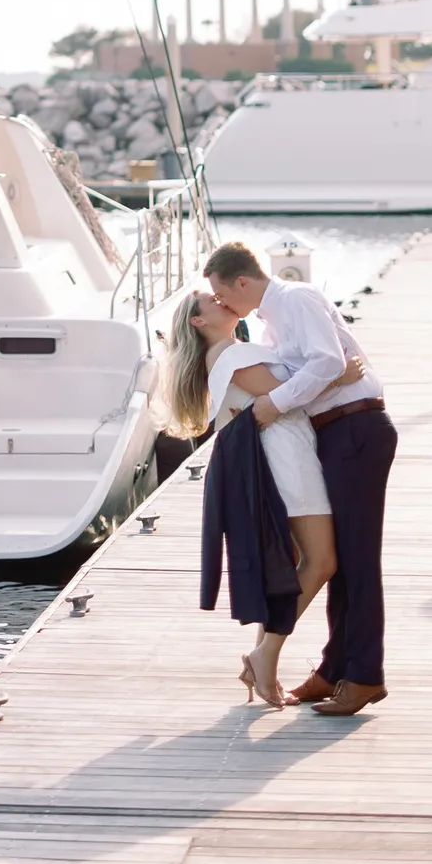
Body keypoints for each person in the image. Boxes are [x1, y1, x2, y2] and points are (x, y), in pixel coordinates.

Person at [204, 242, 397, 717]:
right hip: (333, 434)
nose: (223, 302)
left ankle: (366, 675)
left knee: (359, 561)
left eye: (221, 293)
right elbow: (319, 372)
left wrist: (275, 404)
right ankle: (335, 669)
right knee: (344, 563)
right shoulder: (271, 325)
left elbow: (328, 363)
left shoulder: (295, 299)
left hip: (356, 427)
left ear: (242, 282)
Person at [162, 290, 349, 705]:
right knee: (321, 561)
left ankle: (265, 664)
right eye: (210, 299)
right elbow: (293, 392)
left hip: (283, 457)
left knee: (293, 567)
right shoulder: (231, 356)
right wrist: (341, 372)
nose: (220, 298)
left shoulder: (236, 352)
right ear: (198, 321)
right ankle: (265, 654)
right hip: (287, 461)